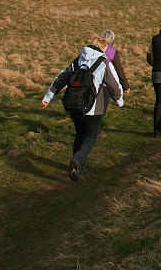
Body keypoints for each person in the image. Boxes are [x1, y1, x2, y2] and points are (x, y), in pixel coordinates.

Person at [42, 35, 124, 181]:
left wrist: (48, 97)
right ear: (102, 48)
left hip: (74, 105)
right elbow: (114, 84)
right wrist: (119, 101)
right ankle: (77, 161)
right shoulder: (104, 62)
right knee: (91, 136)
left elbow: (60, 78)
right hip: (94, 107)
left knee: (80, 134)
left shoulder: (77, 61)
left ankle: (82, 165)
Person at [98, 29, 131, 96]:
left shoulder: (92, 48)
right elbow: (118, 69)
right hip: (104, 84)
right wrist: (125, 86)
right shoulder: (112, 51)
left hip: (90, 82)